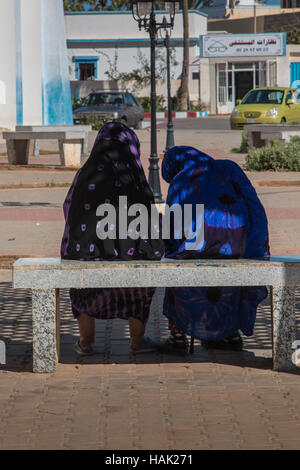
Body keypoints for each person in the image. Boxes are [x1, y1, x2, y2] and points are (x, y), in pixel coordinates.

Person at [60, 121, 164, 356]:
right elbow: (149, 218)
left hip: (86, 259)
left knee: (81, 281)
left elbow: (68, 209)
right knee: (139, 279)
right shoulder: (133, 174)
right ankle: (137, 341)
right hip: (130, 262)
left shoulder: (86, 173)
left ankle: (86, 343)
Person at [159, 145, 269, 353]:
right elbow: (254, 205)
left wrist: (171, 251)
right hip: (243, 243)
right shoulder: (230, 168)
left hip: (200, 246)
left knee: (177, 274)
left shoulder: (181, 180)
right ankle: (228, 335)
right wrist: (258, 244)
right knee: (228, 282)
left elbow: (173, 228)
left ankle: (178, 337)